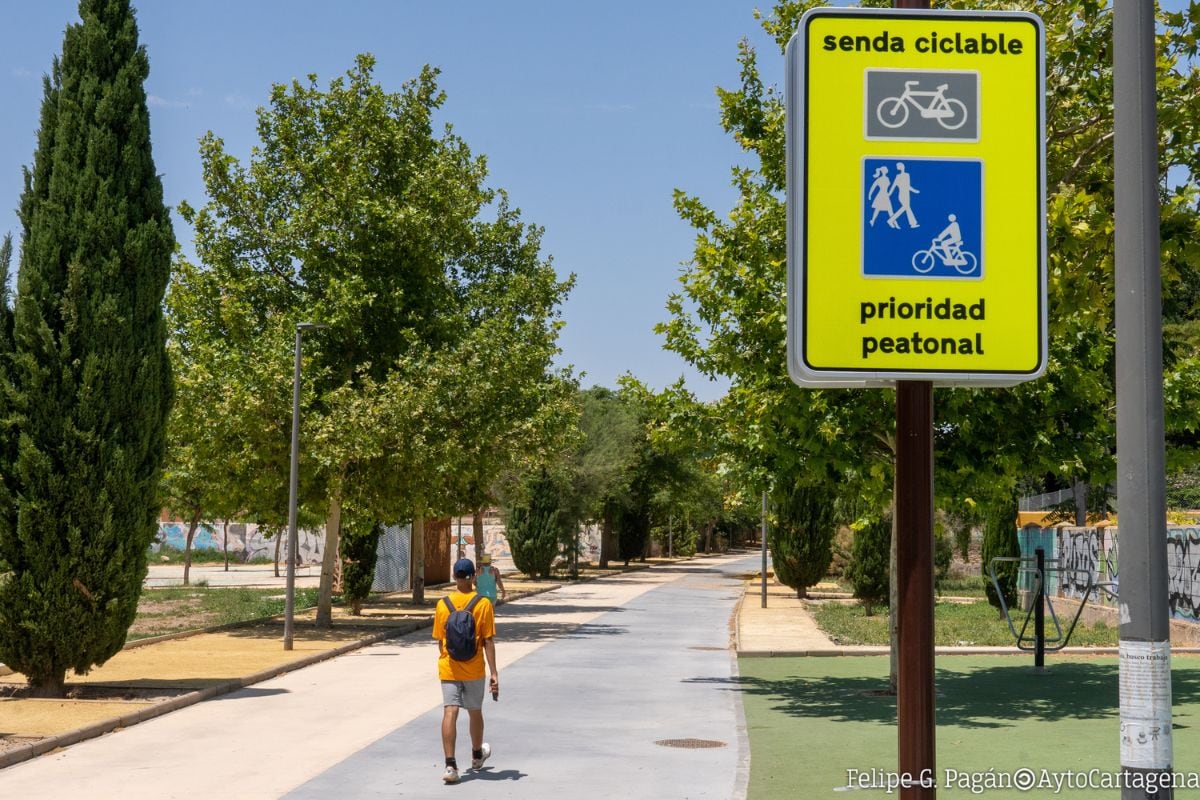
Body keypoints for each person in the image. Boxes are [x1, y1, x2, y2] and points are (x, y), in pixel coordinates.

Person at [433, 558, 499, 784]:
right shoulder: (483, 604)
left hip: (449, 668)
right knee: (474, 711)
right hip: (474, 668)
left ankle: (450, 766)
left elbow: (440, 640)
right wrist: (494, 673)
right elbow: (488, 641)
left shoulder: (443, 604)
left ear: (454, 577)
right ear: (474, 577)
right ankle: (477, 755)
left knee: (450, 711)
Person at [886, 161, 920, 229]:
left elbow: (907, 186)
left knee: (907, 208)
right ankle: (891, 220)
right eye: (897, 166)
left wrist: (914, 190)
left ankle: (913, 223)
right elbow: (894, 185)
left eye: (898, 166)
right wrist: (889, 193)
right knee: (905, 208)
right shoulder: (898, 176)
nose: (898, 167)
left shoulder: (907, 175)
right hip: (902, 195)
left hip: (907, 194)